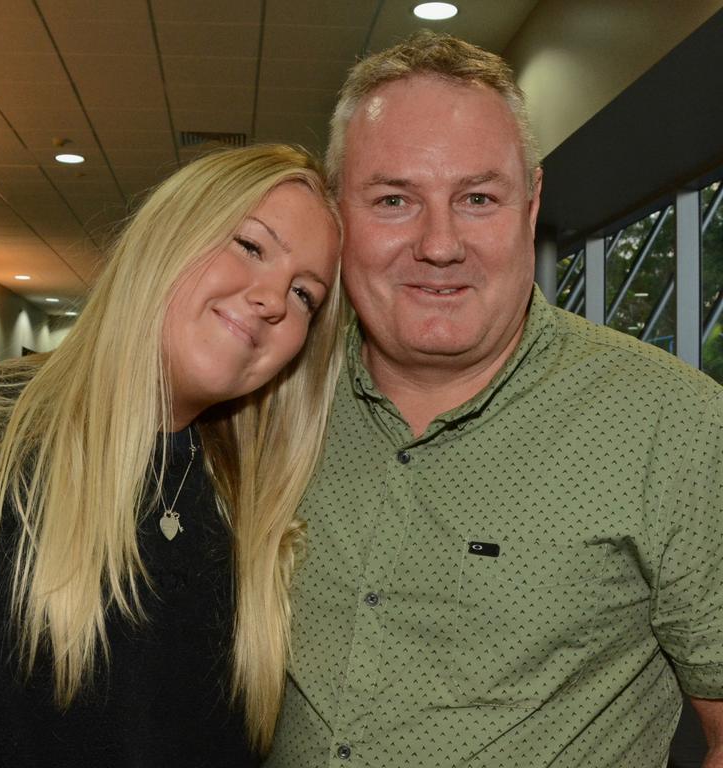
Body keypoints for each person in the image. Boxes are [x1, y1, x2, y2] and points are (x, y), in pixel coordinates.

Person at [265, 32, 723, 768]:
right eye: (393, 199)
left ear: (531, 204)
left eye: (477, 198)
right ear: (336, 208)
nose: (439, 244)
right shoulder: (273, 401)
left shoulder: (674, 426)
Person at [0, 143, 342, 767]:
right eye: (249, 245)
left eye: (305, 295)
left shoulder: (246, 511)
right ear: (168, 235)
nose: (274, 298)